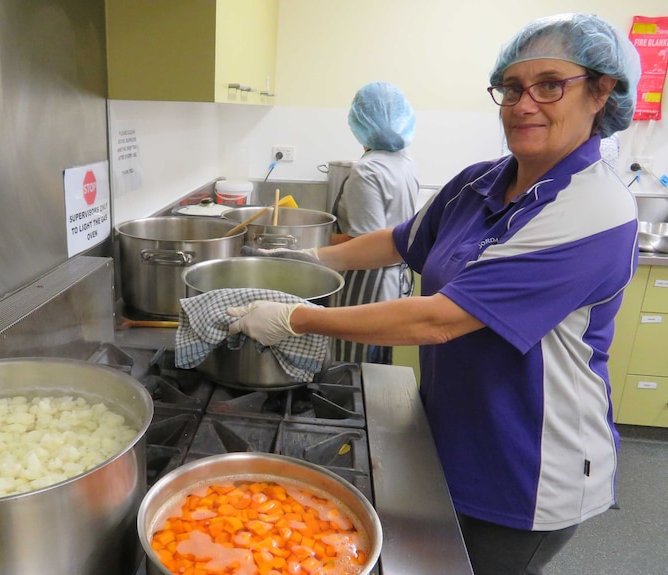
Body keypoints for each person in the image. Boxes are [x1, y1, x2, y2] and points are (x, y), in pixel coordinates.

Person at [227, 13, 641, 575]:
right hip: (452, 433)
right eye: (512, 88)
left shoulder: (592, 210)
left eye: (549, 85)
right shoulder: (482, 180)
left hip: (528, 466)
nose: (523, 105)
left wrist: (295, 318)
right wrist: (309, 259)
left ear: (601, 92)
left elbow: (439, 321)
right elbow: (400, 241)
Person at [330, 81, 418, 365]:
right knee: (376, 369)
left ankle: (345, 411)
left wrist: (313, 243)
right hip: (394, 283)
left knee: (352, 367)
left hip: (368, 286)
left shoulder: (367, 171)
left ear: (359, 121)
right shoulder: (403, 162)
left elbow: (367, 245)